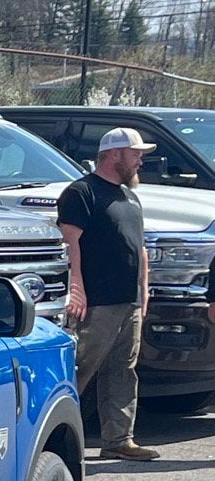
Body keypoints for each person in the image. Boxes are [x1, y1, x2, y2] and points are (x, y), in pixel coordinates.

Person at [57, 127, 160, 461]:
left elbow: (140, 248)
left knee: (123, 369)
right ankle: (52, 437)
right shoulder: (82, 192)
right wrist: (77, 289)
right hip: (97, 302)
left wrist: (143, 291)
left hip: (128, 300)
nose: (140, 160)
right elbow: (70, 244)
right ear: (114, 154)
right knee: (79, 368)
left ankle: (119, 439)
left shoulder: (130, 196)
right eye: (135, 154)